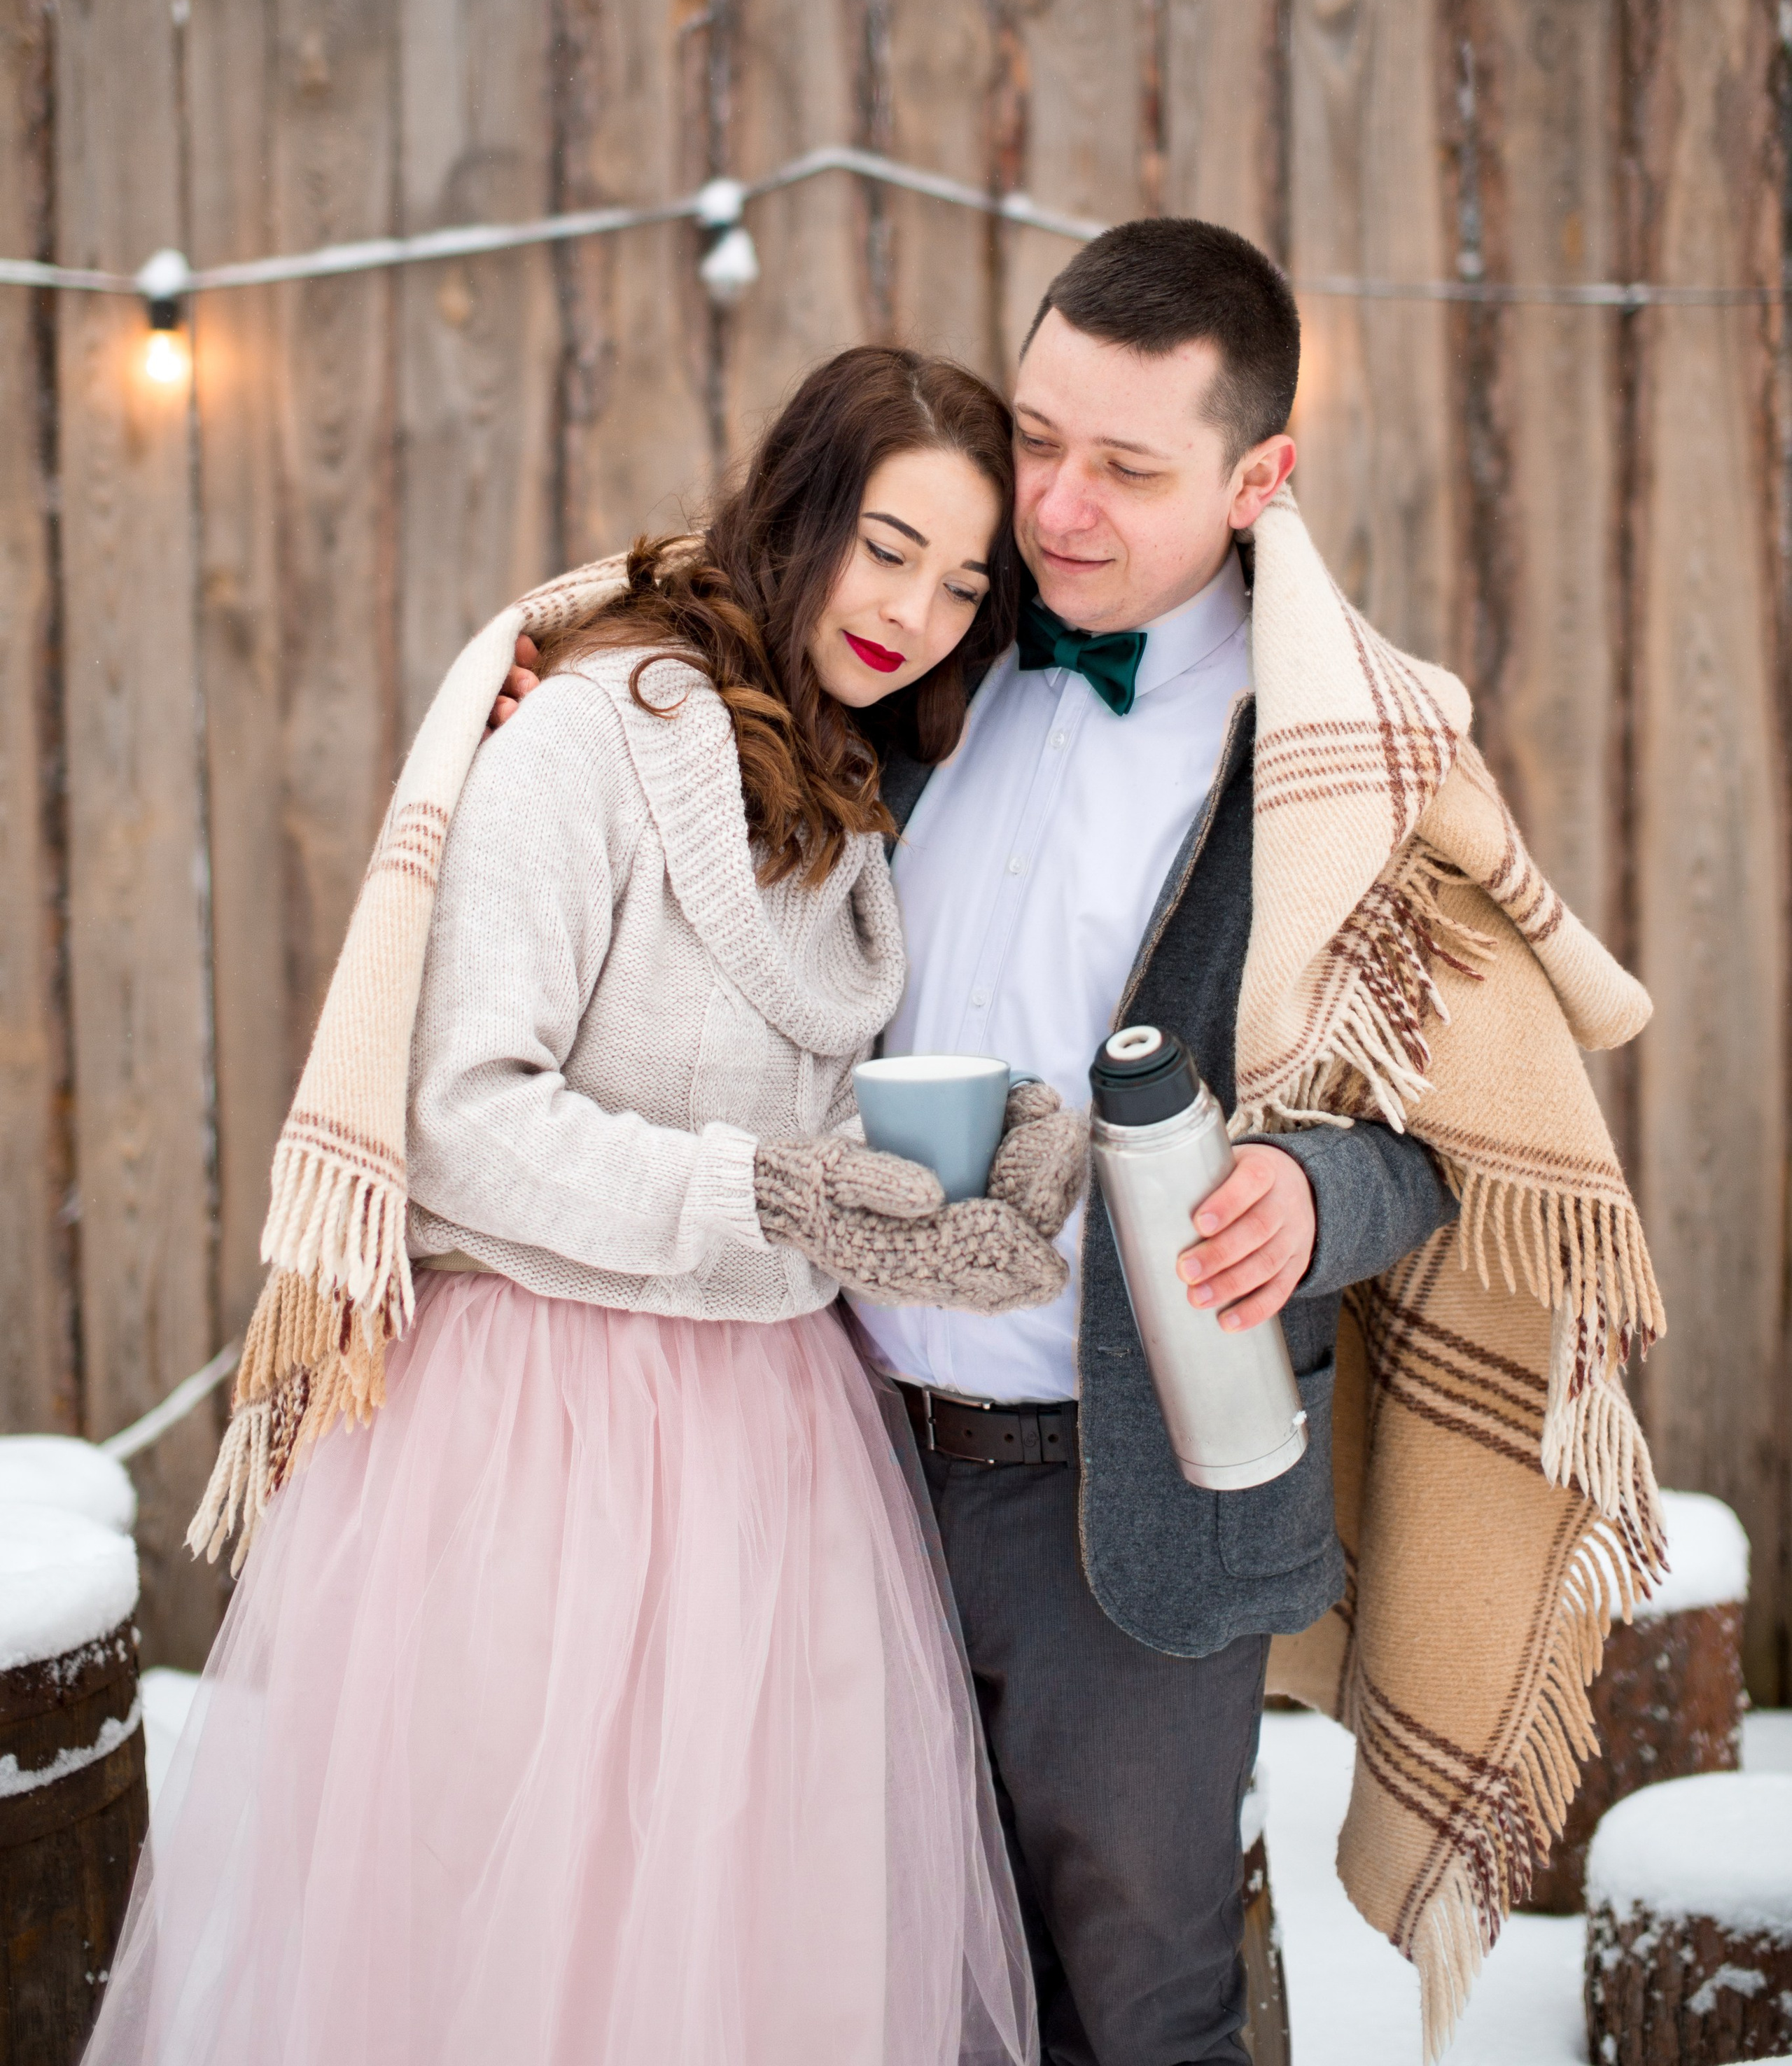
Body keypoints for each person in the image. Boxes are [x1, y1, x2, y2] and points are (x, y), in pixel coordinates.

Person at [492, 220, 1667, 2065]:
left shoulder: (1344, 748)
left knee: (1143, 1988)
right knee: (881, 1982)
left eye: (1127, 467)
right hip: (833, 1448)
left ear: (1259, 476)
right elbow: (715, 649)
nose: (1054, 504)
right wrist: (554, 671)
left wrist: (1313, 1187)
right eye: (1040, 437)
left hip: (1127, 1492)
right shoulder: (923, 653)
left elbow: (1474, 1135)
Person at [87, 347, 1098, 2066]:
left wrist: (984, 1137)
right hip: (546, 1435)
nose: (914, 607)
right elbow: (466, 1121)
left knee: (751, 1959)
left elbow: (764, 1081)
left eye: (960, 580)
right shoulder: (585, 737)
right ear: (794, 509)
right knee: (531, 1952)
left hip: (777, 1437)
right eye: (884, 542)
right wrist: (769, 1193)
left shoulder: (855, 796)